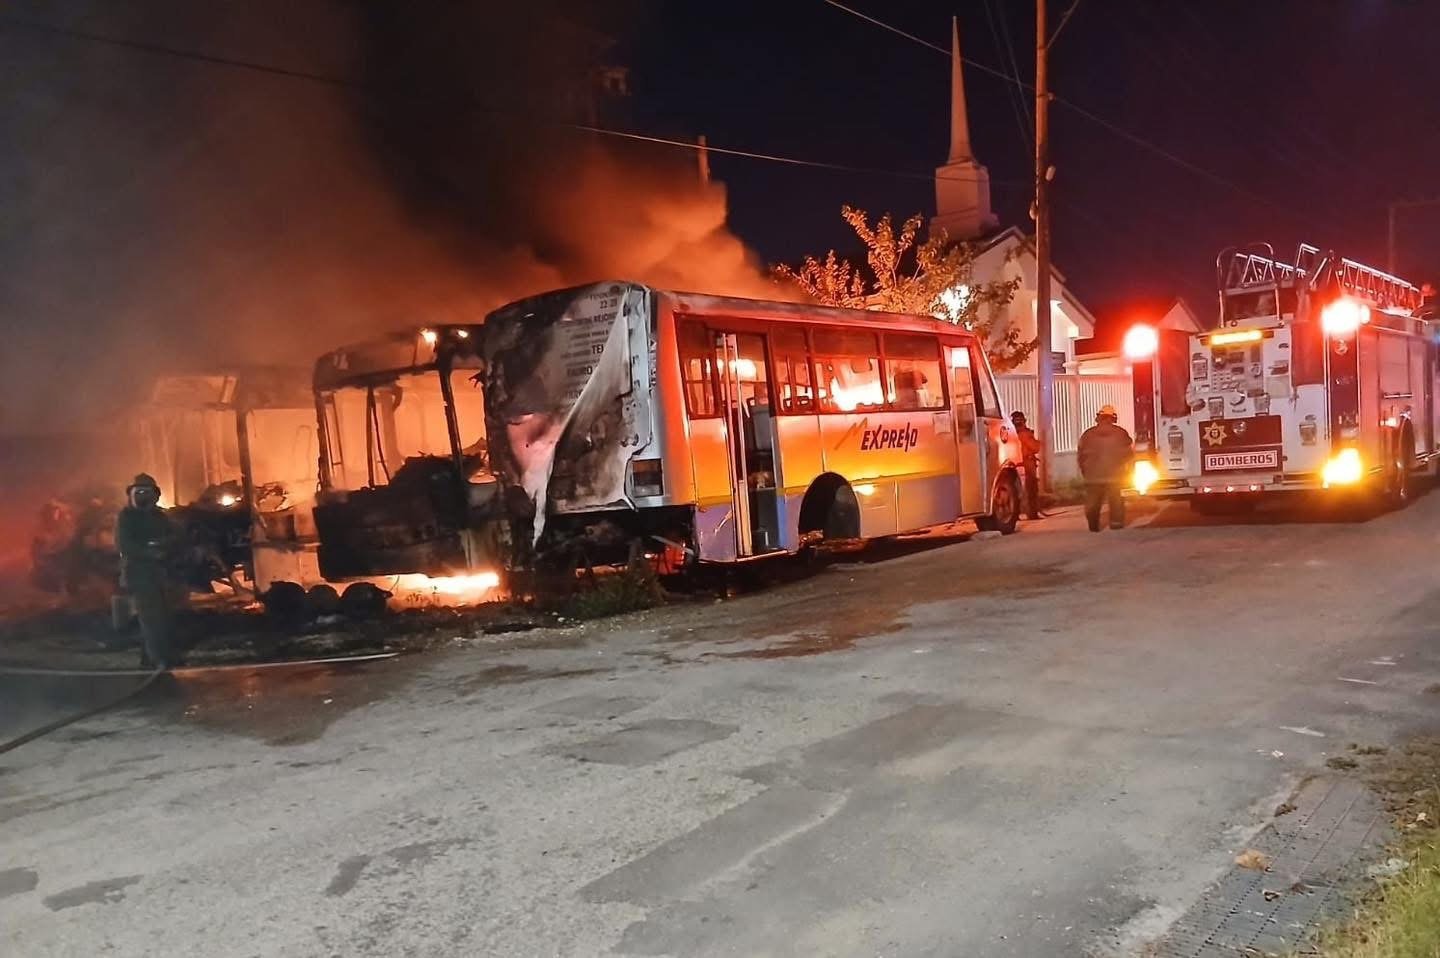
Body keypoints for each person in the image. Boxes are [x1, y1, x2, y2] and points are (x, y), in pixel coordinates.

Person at [115, 473, 180, 669]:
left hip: (158, 574)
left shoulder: (159, 517)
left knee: (159, 617)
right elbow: (124, 544)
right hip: (138, 574)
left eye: (146, 492)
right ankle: (159, 660)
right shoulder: (126, 517)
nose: (142, 496)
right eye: (139, 492)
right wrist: (151, 552)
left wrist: (163, 547)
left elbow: (174, 536)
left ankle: (149, 658)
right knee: (151, 618)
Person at [1077, 405, 1134, 532]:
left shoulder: (1087, 434)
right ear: (1113, 418)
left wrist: (1085, 471)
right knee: (1116, 500)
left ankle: (1093, 525)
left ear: (1099, 417)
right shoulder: (1121, 433)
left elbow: (1080, 456)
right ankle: (1116, 523)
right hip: (1116, 475)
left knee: (1093, 501)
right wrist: (1128, 471)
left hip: (1093, 475)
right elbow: (1129, 454)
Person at [1010, 411, 1043, 520]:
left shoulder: (1010, 434)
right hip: (1027, 465)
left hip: (1015, 466)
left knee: (1017, 491)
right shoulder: (1025, 434)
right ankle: (1032, 513)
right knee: (1031, 490)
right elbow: (1035, 447)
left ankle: (1015, 514)